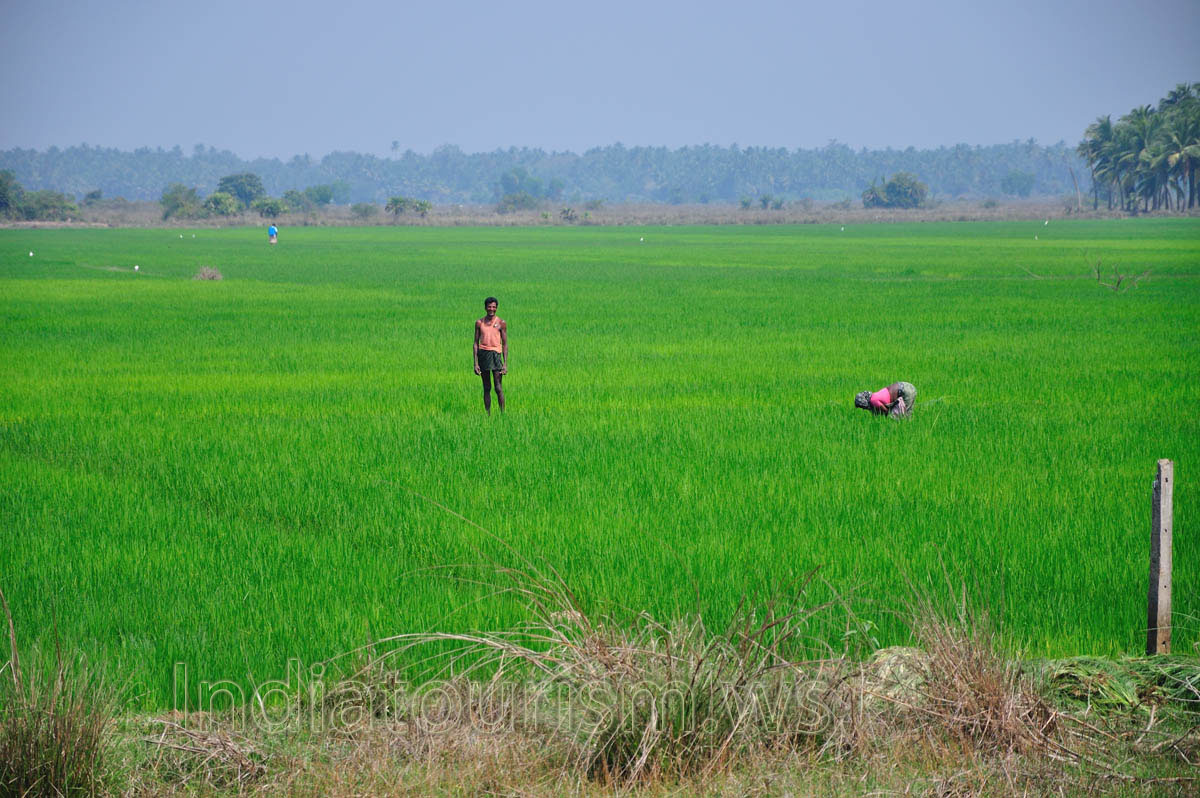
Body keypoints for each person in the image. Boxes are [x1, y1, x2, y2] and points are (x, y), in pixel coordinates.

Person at [473, 297, 507, 414]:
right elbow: (475, 343)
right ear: (485, 307)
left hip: (496, 355)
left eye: (493, 307)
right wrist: (476, 363)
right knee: (487, 387)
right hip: (483, 354)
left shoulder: (501, 323)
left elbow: (505, 344)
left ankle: (503, 414)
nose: (491, 309)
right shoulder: (479, 323)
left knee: (498, 387)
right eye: (489, 306)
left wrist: (505, 364)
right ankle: (488, 415)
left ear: (496, 308)